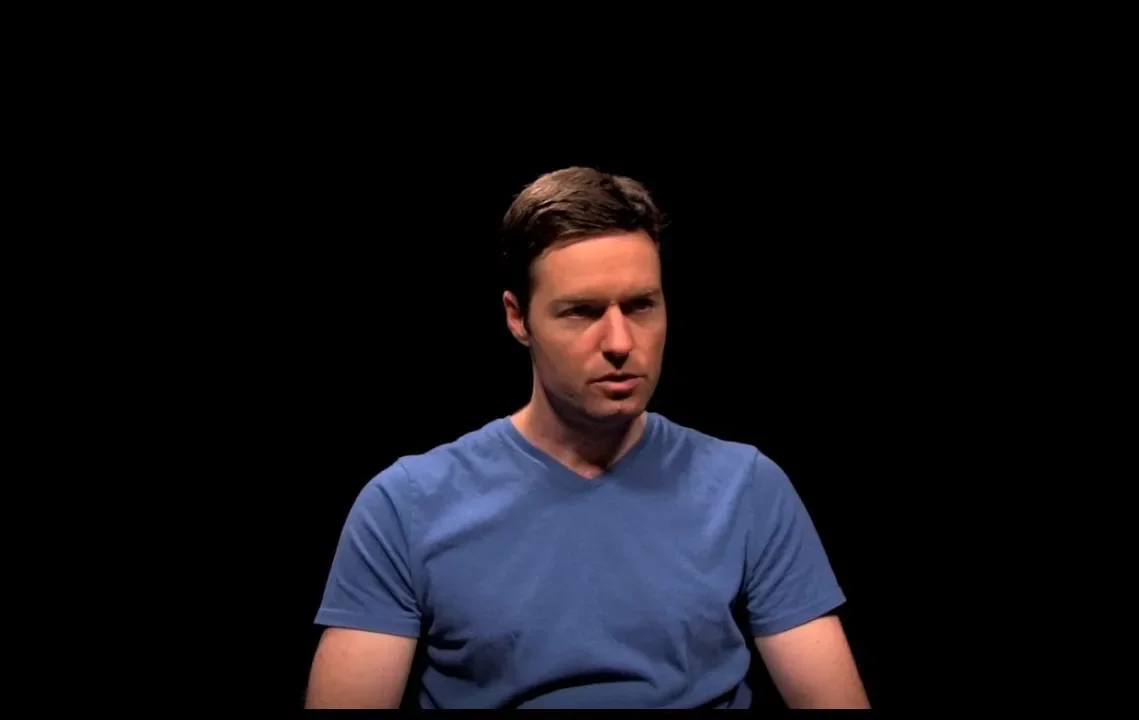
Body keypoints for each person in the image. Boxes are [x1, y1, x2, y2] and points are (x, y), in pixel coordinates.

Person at [303, 167, 871, 709]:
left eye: (641, 305)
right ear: (518, 318)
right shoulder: (406, 505)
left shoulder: (747, 488)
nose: (620, 342)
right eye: (581, 312)